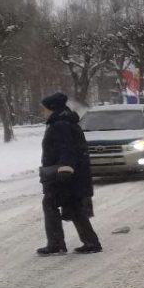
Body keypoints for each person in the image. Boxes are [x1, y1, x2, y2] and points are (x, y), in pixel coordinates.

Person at [37, 92, 101, 256]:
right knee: (74, 207)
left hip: (65, 175)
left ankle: (56, 243)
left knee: (50, 204)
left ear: (52, 108)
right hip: (73, 174)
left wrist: (66, 168)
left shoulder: (61, 124)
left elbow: (67, 148)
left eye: (44, 109)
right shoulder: (63, 122)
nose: (42, 112)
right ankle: (91, 242)